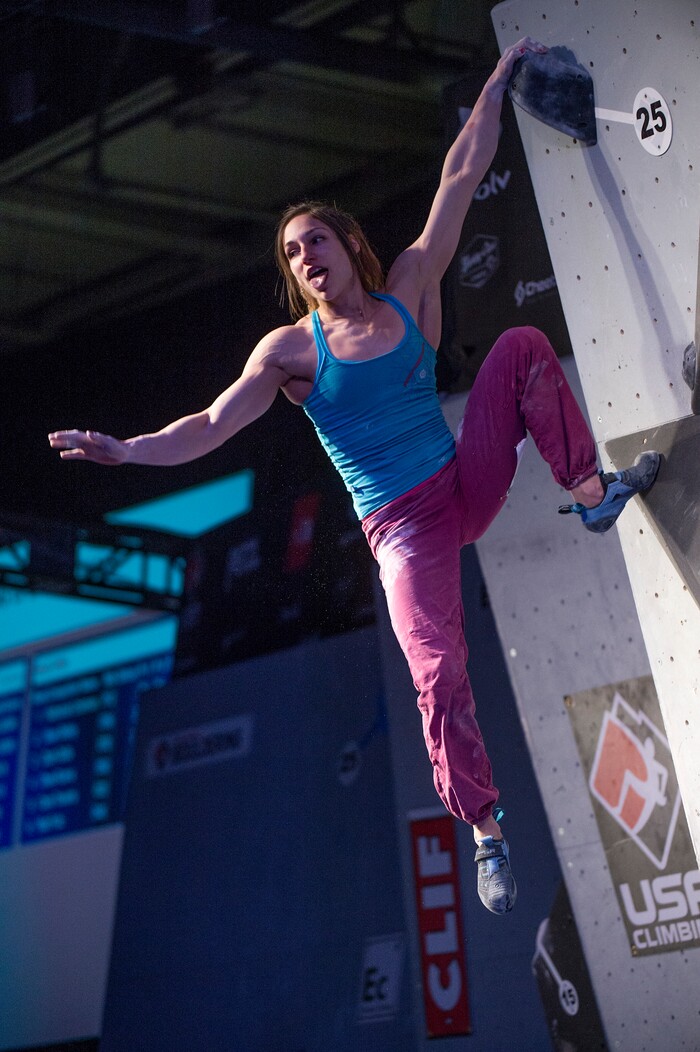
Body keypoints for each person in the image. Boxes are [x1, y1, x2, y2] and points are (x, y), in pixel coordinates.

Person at [48, 36, 659, 915]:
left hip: (462, 482)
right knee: (438, 675)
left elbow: (459, 175)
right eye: (292, 255)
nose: (304, 258)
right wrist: (131, 449)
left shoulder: (411, 284)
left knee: (523, 347)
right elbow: (213, 424)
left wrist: (496, 81)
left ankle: (593, 499)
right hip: (404, 535)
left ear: (348, 246)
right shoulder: (291, 352)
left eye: (315, 241)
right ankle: (488, 833)